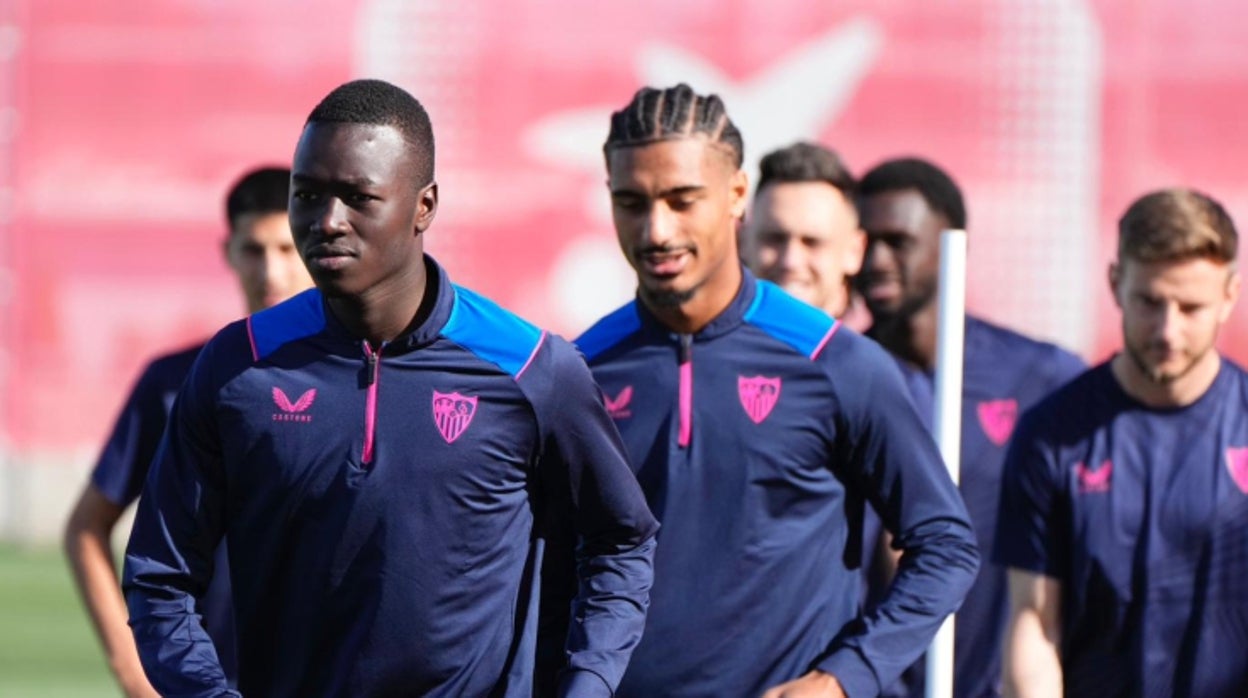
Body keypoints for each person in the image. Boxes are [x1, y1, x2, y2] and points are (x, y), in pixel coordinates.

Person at [122, 78, 658, 697]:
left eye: (357, 196)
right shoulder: (236, 366)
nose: (327, 221)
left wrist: (586, 684)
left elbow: (622, 538)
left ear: (423, 206)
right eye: (309, 195)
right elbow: (159, 575)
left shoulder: (533, 369)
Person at [575, 82, 979, 698]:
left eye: (683, 200)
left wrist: (844, 678)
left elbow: (946, 547)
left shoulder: (838, 362)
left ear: (737, 195)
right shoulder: (581, 369)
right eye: (632, 202)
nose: (656, 230)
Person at [63, 166, 312, 697]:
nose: (271, 270)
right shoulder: (177, 382)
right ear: (229, 252)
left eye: (288, 249)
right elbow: (87, 527)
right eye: (254, 249)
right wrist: (133, 669)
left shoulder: (356, 379)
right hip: (199, 684)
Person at [997, 188, 1248, 697]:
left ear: (1229, 296)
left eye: (1190, 307)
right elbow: (1035, 623)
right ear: (1116, 283)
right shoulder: (1052, 434)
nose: (1167, 330)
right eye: (1150, 302)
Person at [854, 157, 1084, 697]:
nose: (876, 260)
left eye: (897, 241)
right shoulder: (835, 376)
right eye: (864, 240)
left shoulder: (1038, 375)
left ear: (954, 246)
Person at [742, 141, 870, 331]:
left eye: (812, 242)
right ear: (744, 241)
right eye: (774, 238)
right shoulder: (699, 352)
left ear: (854, 252)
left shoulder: (881, 358)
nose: (790, 261)